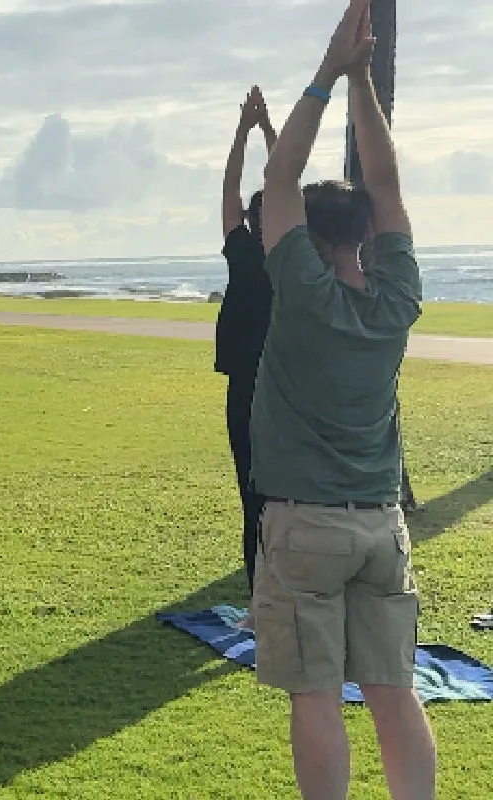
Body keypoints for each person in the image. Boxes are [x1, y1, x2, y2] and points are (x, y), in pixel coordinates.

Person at [251, 1, 436, 798]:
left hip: (306, 527)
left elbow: (279, 177)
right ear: (360, 233)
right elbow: (385, 181)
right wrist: (363, 80)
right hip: (382, 529)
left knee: (317, 696)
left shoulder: (301, 292)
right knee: (395, 691)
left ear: (313, 240)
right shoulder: (394, 297)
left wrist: (329, 73)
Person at [217, 85, 276, 596]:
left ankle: (264, 601)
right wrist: (265, 130)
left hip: (255, 389)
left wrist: (244, 131)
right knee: (274, 500)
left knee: (254, 500)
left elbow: (231, 191)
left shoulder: (245, 252)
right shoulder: (296, 260)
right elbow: (289, 183)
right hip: (276, 386)